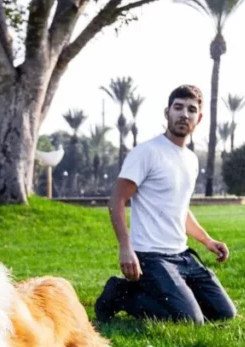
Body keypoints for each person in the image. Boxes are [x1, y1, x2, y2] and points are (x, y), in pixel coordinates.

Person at [94, 84, 236, 324]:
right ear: (167, 112)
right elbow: (117, 199)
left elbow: (180, 208)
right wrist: (126, 249)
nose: (184, 114)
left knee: (224, 314)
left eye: (191, 110)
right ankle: (121, 295)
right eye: (178, 108)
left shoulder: (190, 159)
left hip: (182, 255)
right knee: (191, 322)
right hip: (151, 256)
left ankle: (171, 295)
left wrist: (207, 240)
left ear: (198, 118)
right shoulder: (146, 152)